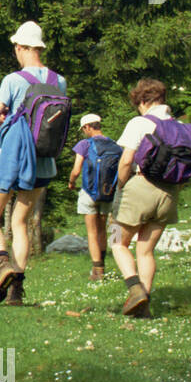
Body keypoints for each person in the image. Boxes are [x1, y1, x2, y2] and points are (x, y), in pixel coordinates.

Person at [0, 21, 68, 306]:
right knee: (21, 222)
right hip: (44, 163)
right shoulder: (59, 81)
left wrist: (2, 119)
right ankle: (16, 291)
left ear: (20, 48)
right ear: (39, 47)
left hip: (13, 160)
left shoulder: (13, 80)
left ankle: (1, 264)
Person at [109, 78, 188, 318]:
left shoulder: (140, 122)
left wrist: (121, 185)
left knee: (116, 240)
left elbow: (125, 160)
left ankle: (134, 289)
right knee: (145, 250)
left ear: (143, 101)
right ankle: (144, 304)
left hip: (140, 186)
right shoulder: (181, 126)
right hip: (170, 193)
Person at [67, 114, 118, 281]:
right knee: (102, 229)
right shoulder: (114, 145)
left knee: (91, 232)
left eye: (83, 129)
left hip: (89, 192)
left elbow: (76, 170)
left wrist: (71, 182)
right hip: (108, 193)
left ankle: (97, 271)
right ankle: (103, 265)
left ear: (88, 127)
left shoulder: (84, 144)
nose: (83, 132)